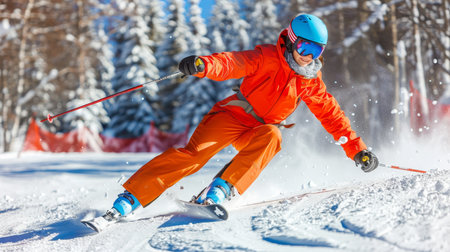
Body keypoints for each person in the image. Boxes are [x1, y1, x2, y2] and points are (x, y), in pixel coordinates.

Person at [106, 13, 379, 219]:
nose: (309, 57)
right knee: (195, 155)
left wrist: (357, 150)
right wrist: (204, 65)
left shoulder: (311, 81)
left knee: (274, 135)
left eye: (317, 51)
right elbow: (231, 62)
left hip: (259, 130)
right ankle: (131, 197)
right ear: (293, 41)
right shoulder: (267, 57)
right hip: (233, 115)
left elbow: (331, 115)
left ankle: (222, 189)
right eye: (306, 48)